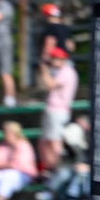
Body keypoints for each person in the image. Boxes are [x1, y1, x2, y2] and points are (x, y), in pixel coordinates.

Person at [37, 43, 78, 173]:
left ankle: (62, 170)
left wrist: (43, 70)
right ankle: (51, 169)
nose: (53, 61)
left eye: (55, 58)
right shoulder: (60, 71)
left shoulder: (66, 71)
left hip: (58, 110)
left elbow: (49, 85)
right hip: (54, 110)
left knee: (55, 142)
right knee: (44, 142)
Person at [0, 120, 37, 200]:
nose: (5, 135)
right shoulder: (2, 146)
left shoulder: (23, 145)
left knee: (9, 176)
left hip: (22, 176)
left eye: (7, 132)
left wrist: (4, 165)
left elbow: (20, 165)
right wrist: (6, 165)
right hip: (2, 173)